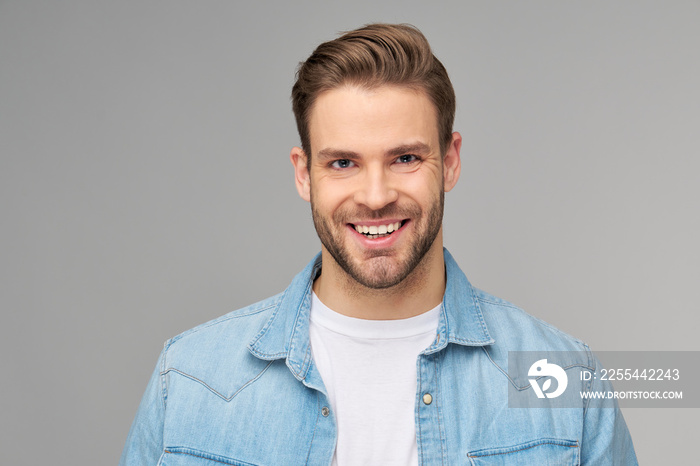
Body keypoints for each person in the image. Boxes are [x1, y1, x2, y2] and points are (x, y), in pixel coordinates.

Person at [120, 23, 637, 465]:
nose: (375, 196)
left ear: (450, 160)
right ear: (304, 174)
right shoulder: (188, 379)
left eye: (405, 158)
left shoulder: (566, 380)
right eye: (342, 163)